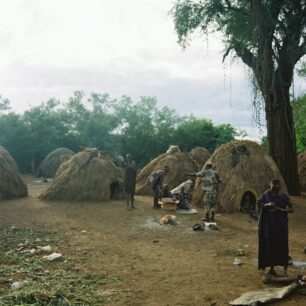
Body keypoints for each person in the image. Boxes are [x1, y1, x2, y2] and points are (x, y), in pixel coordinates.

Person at [257, 179, 294, 277]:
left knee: (283, 245)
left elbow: (292, 208)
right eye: (273, 186)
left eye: (277, 186)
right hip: (270, 225)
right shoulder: (267, 194)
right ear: (270, 186)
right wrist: (267, 205)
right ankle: (272, 269)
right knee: (270, 245)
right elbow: (259, 202)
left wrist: (281, 210)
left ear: (280, 187)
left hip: (281, 226)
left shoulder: (284, 196)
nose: (274, 189)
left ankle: (285, 270)